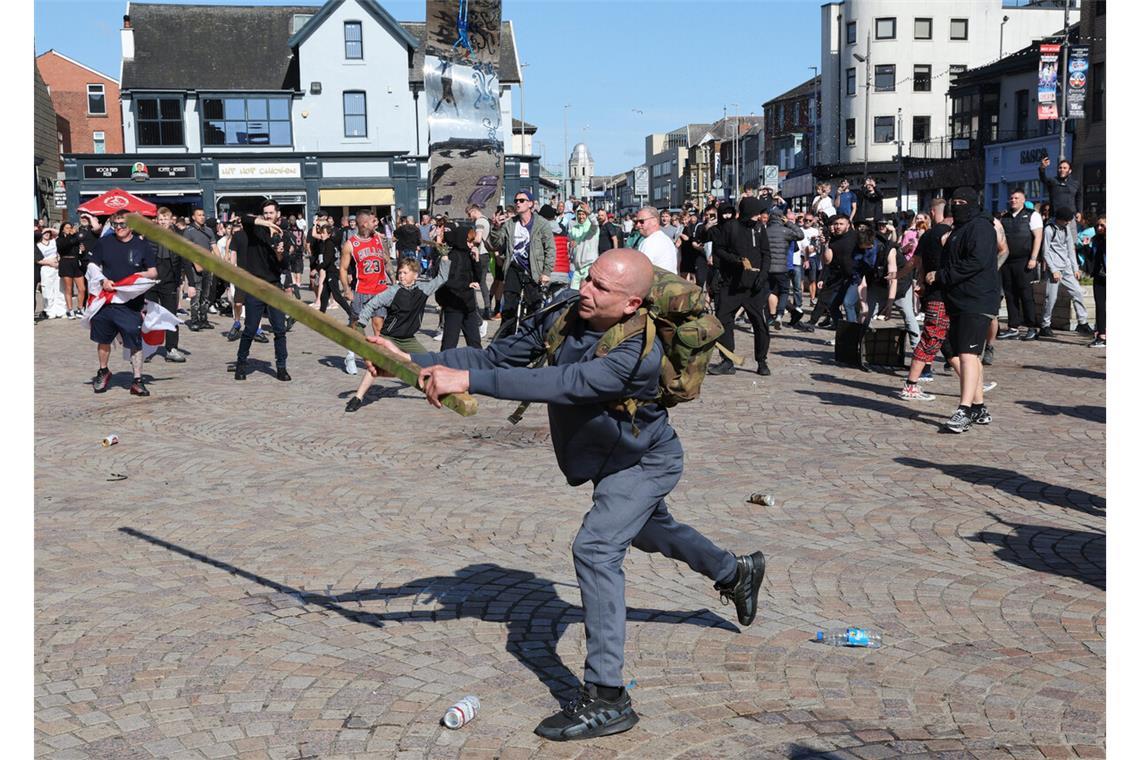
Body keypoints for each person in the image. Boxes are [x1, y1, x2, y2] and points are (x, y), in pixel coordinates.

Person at [364, 249, 765, 741]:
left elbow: (564, 381)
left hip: (643, 462)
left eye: (601, 289)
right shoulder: (564, 311)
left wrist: (468, 381)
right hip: (606, 458)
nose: (585, 291)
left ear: (632, 304)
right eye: (588, 279)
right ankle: (734, 571)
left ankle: (608, 698)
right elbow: (496, 356)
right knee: (653, 530)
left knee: (596, 548)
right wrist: (417, 361)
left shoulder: (638, 354)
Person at [923, 188, 1000, 433]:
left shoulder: (981, 227)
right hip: (959, 298)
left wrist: (942, 276)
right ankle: (978, 406)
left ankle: (964, 409)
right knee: (968, 355)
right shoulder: (959, 228)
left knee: (967, 354)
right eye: (953, 202)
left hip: (977, 299)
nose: (957, 206)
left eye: (961, 202)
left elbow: (975, 261)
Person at [344, 256, 452, 412]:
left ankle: (440, 393)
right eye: (400, 272)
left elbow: (442, 277)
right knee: (375, 366)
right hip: (390, 337)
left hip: (408, 339)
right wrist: (361, 322)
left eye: (405, 273)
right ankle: (358, 397)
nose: (401, 276)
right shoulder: (393, 291)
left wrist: (444, 259)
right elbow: (372, 304)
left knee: (430, 362)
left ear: (415, 275)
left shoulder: (423, 288)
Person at [87, 211, 159, 396]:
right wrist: (103, 280)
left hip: (130, 303)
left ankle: (137, 380)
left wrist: (137, 276)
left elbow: (153, 272)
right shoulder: (105, 242)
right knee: (103, 339)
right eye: (115, 224)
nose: (118, 228)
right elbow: (92, 266)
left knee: (134, 341)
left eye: (123, 224)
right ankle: (103, 371)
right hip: (107, 300)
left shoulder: (142, 245)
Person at [708, 196, 773, 376]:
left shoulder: (760, 229)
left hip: (754, 286)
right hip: (732, 284)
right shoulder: (730, 227)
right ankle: (727, 361)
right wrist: (735, 261)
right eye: (755, 214)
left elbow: (766, 253)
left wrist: (763, 275)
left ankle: (762, 361)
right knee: (722, 320)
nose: (758, 217)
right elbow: (719, 250)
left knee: (759, 323)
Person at [899, 200, 953, 400]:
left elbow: (916, 263)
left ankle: (972, 382)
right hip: (939, 295)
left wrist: (914, 279)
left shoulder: (929, 234)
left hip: (937, 294)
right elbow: (918, 263)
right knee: (931, 338)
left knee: (949, 343)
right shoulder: (947, 235)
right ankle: (911, 385)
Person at [233, 199, 291, 382]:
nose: (268, 216)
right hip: (255, 286)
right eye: (265, 213)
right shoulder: (255, 230)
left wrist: (280, 253)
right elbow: (243, 218)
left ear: (278, 214)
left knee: (280, 330)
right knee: (250, 329)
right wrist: (264, 223)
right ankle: (241, 364)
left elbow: (284, 265)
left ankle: (281, 367)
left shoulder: (284, 235)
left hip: (273, 286)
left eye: (271, 213)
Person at [488, 189, 557, 336]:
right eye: (516, 200)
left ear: (530, 204)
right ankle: (504, 340)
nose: (518, 203)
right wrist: (496, 227)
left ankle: (531, 339)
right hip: (514, 268)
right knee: (509, 307)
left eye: (522, 200)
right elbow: (497, 243)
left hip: (534, 269)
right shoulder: (510, 224)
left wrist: (546, 272)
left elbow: (550, 249)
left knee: (534, 307)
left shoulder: (542, 224)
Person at [340, 210, 391, 375]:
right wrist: (347, 289)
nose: (375, 223)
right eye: (372, 221)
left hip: (380, 290)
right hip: (361, 290)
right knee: (357, 326)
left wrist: (394, 280)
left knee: (379, 326)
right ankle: (350, 356)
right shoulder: (351, 244)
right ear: (364, 224)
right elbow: (343, 268)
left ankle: (378, 359)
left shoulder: (378, 238)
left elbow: (387, 261)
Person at [1039, 207, 1093, 338]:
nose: (1068, 223)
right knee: (1051, 298)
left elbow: (1070, 250)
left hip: (1067, 268)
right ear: (1059, 219)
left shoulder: (1066, 229)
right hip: (1055, 269)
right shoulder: (1049, 229)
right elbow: (1045, 252)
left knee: (1078, 293)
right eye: (1066, 221)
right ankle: (1045, 326)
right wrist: (1053, 270)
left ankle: (1082, 322)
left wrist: (1075, 268)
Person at [997, 189, 1043, 341]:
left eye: (1017, 198)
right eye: (1011, 198)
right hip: (1007, 261)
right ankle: (1013, 327)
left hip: (1025, 261)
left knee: (1026, 295)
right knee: (1010, 294)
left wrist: (1034, 258)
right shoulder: (1004, 216)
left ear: (1023, 200)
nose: (1013, 200)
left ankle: (1032, 327)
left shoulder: (1032, 215)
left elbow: (1038, 237)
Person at [143, 208, 187, 363]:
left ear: (171, 220)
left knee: (171, 316)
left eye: (165, 219)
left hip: (169, 281)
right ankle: (147, 348)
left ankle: (171, 348)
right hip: (152, 282)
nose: (162, 222)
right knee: (150, 316)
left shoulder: (177, 237)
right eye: (160, 219)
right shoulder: (149, 235)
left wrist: (191, 283)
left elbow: (183, 259)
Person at [436, 228, 483, 350]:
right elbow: (447, 281)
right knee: (449, 344)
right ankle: (443, 367)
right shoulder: (452, 257)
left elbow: (478, 278)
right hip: (454, 306)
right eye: (470, 241)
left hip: (468, 306)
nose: (472, 244)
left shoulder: (468, 255)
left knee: (475, 343)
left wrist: (477, 259)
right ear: (462, 240)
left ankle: (480, 367)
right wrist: (466, 285)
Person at [180, 208, 219, 331]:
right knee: (196, 294)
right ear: (193, 217)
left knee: (206, 294)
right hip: (195, 267)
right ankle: (194, 320)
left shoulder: (208, 231)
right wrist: (196, 264)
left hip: (208, 266)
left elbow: (214, 247)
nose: (202, 217)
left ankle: (204, 319)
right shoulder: (188, 231)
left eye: (203, 215)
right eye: (199, 215)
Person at [467, 204, 493, 319]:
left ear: (474, 211)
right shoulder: (487, 220)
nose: (469, 217)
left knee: (474, 281)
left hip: (479, 254)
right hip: (486, 254)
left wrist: (471, 244)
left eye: (469, 214)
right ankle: (487, 308)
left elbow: (478, 238)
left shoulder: (479, 222)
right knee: (482, 283)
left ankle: (476, 309)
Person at [55, 220, 86, 319]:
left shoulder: (76, 238)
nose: (69, 230)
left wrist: (82, 250)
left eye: (70, 228)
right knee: (69, 288)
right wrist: (69, 235)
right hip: (65, 263)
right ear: (63, 230)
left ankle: (80, 308)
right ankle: (70, 310)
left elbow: (79, 250)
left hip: (76, 263)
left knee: (82, 288)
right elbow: (64, 246)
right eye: (67, 228)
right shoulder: (59, 239)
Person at [634, 207, 677, 273]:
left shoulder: (650, 242)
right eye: (636, 222)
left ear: (654, 221)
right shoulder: (665, 239)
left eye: (641, 221)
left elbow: (641, 272)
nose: (638, 225)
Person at [37, 226, 67, 319]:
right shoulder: (38, 245)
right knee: (47, 291)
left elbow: (61, 234)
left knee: (59, 289)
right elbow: (37, 259)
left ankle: (61, 311)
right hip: (46, 268)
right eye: (44, 233)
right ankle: (50, 311)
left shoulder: (54, 242)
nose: (46, 234)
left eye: (48, 233)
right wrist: (49, 263)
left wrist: (49, 229)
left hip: (56, 268)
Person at [568, 205, 599, 290]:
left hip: (589, 266)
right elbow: (570, 242)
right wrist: (570, 244)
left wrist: (590, 214)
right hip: (577, 268)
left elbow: (595, 224)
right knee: (572, 293)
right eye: (579, 214)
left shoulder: (592, 229)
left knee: (587, 292)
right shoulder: (574, 229)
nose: (581, 217)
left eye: (583, 214)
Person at [1088, 216, 1105, 348]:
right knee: (1100, 306)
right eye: (1098, 225)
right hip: (1099, 277)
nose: (1099, 228)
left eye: (1102, 226)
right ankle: (1101, 335)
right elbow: (1093, 259)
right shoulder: (1096, 240)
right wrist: (1086, 247)